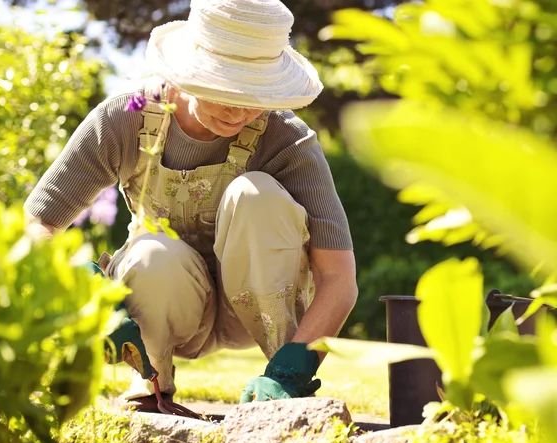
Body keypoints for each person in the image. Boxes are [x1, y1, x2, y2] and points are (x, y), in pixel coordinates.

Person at [24, 0, 358, 412]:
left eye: (255, 93)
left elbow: (338, 278)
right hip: (162, 303)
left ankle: (279, 392)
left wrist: (297, 364)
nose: (240, 111)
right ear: (187, 71)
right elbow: (37, 225)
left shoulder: (287, 140)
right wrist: (79, 284)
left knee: (256, 195)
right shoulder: (124, 120)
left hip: (259, 307)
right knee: (151, 252)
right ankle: (152, 384)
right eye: (225, 90)